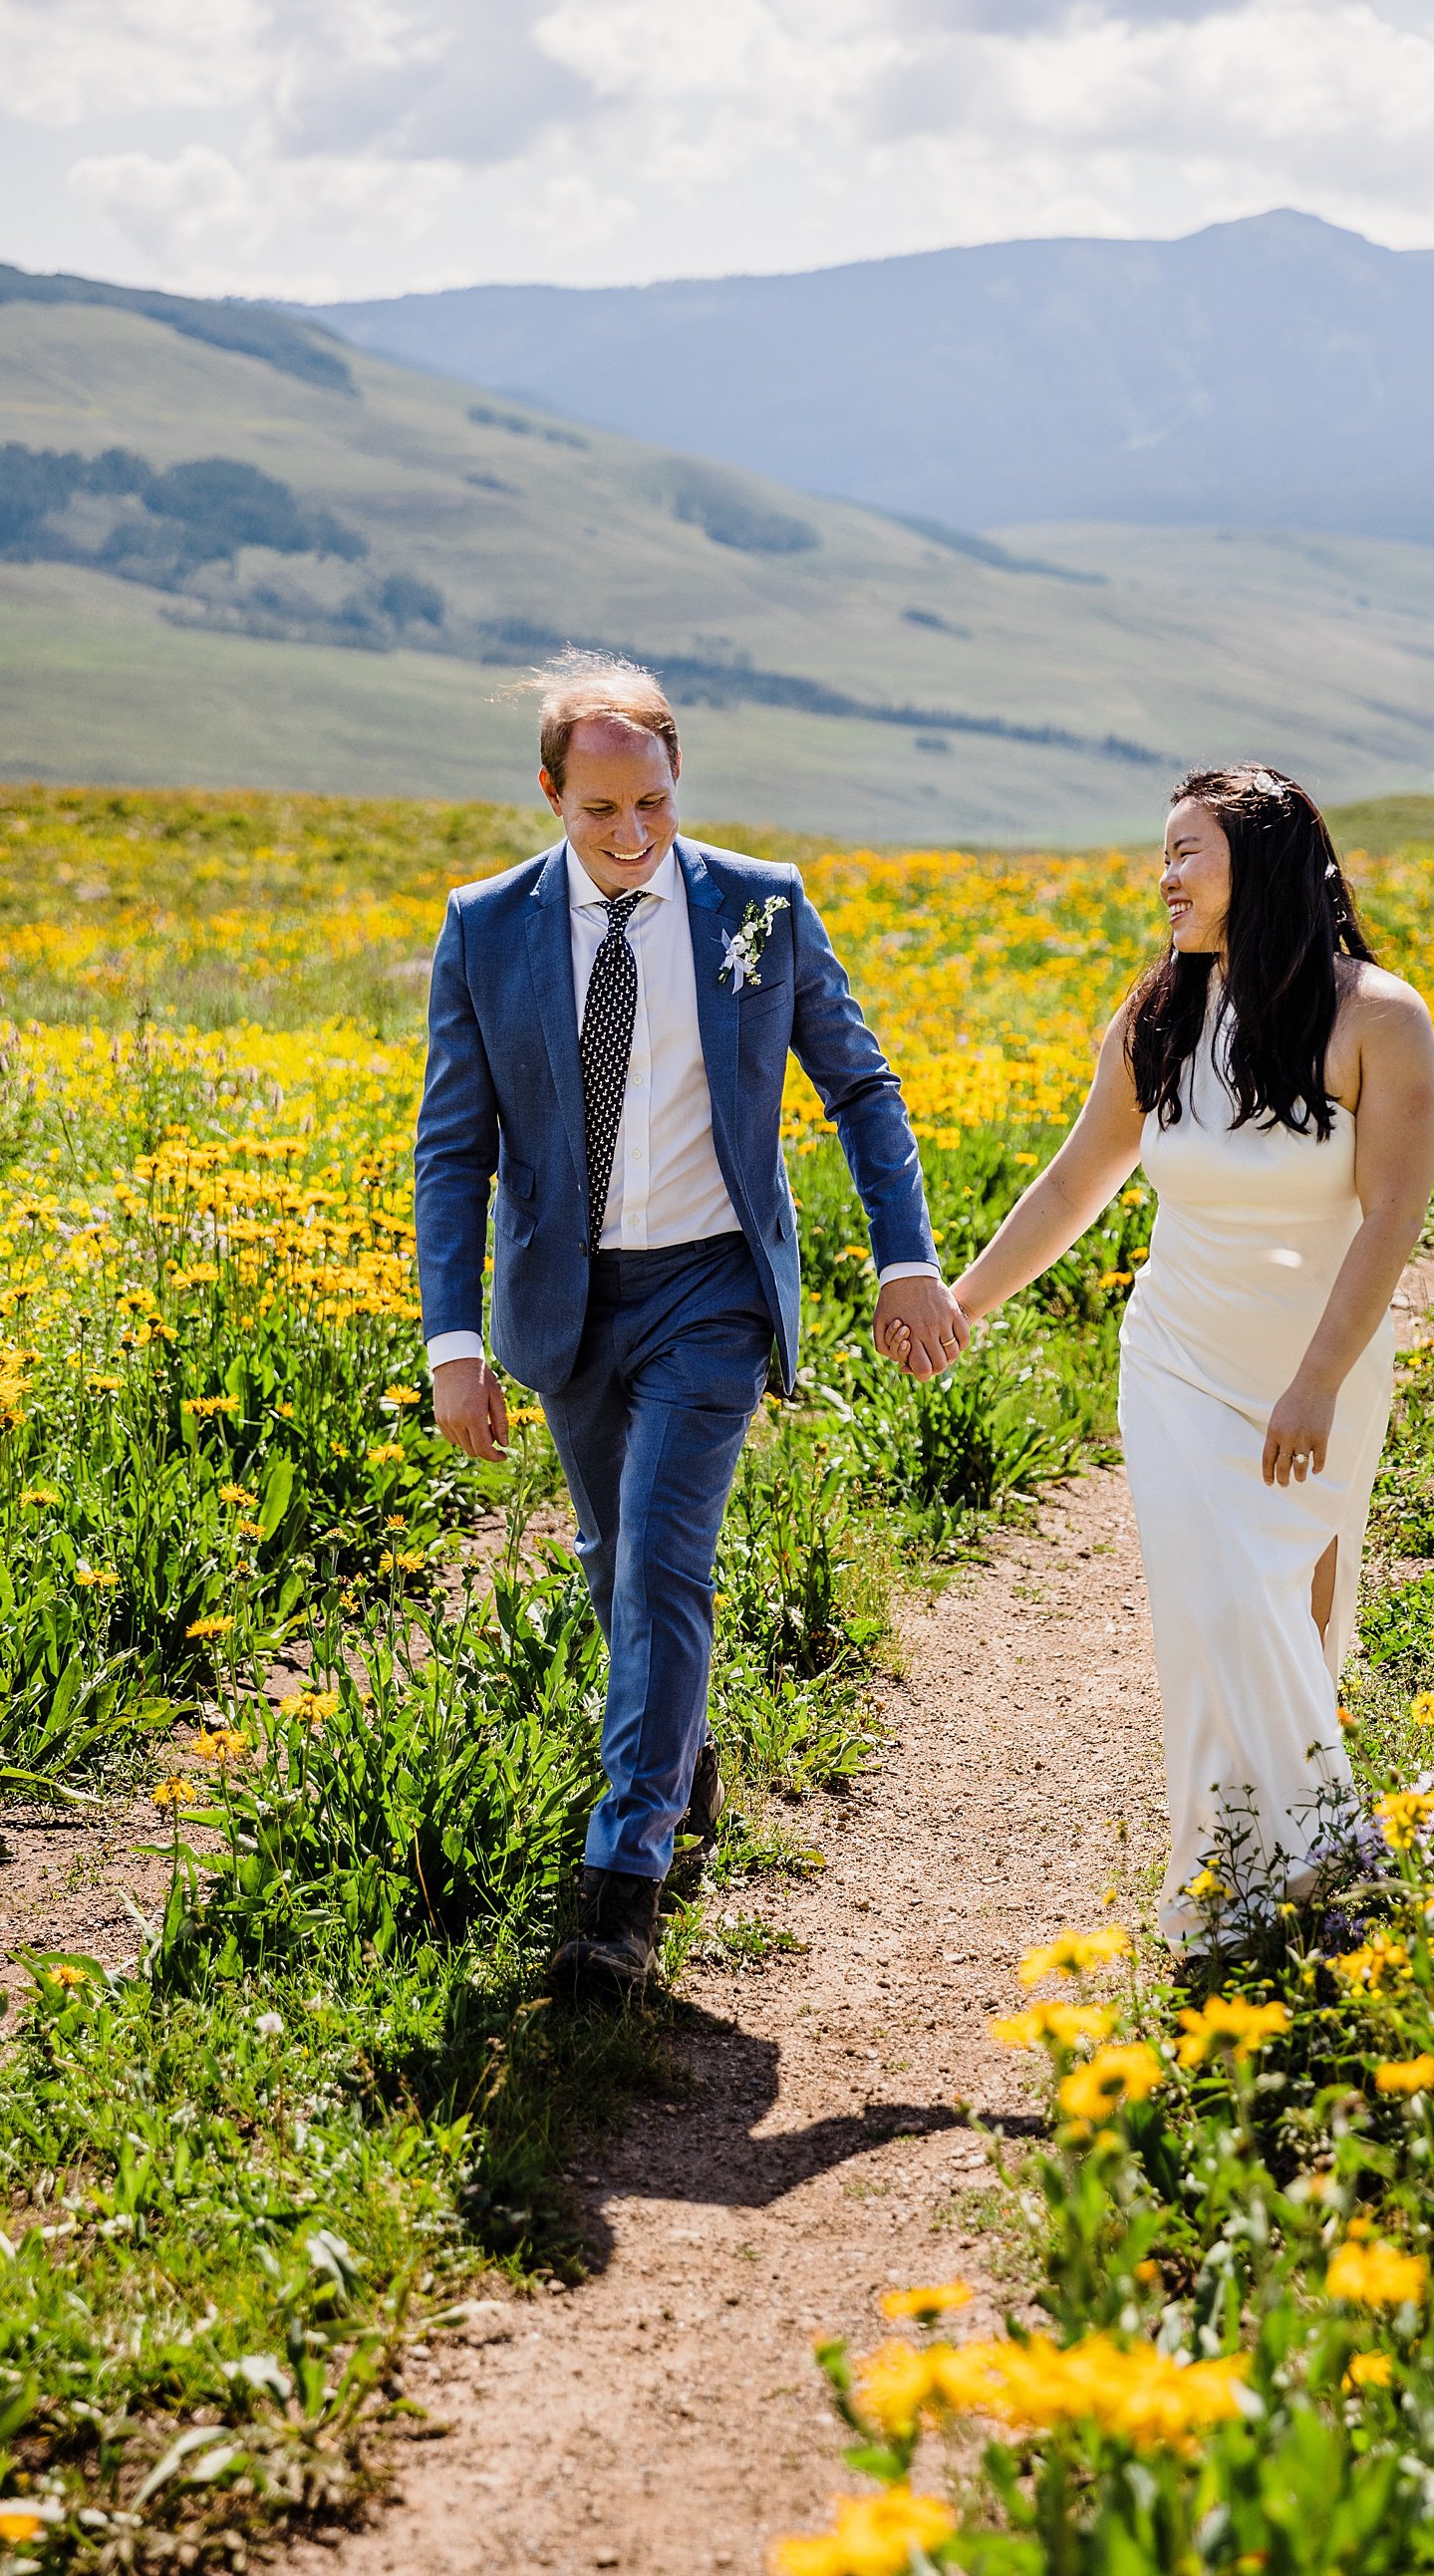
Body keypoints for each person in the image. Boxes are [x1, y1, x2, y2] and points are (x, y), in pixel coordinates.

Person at [414, 652, 969, 1996]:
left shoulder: (759, 909)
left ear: (676, 784)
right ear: (550, 793)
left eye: (652, 802)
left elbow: (862, 1082)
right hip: (567, 1300)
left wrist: (908, 1258)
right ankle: (680, 1757)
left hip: (711, 1289)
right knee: (612, 1563)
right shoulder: (485, 925)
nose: (632, 835)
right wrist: (453, 1343)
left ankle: (622, 1883)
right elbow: (453, 1147)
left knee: (664, 1555)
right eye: (600, 809)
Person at [899, 765, 1434, 1942]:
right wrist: (964, 1302)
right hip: (1178, 1360)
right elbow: (1073, 1182)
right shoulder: (1157, 1015)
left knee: (1289, 1615)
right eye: (1164, 854)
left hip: (1323, 1363)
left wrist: (1313, 1381)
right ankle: (1305, 1864)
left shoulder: (1379, 1016)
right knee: (1216, 1598)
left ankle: (1275, 1869)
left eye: (1188, 852)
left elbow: (1393, 1218)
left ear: (1263, 859)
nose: (1166, 878)